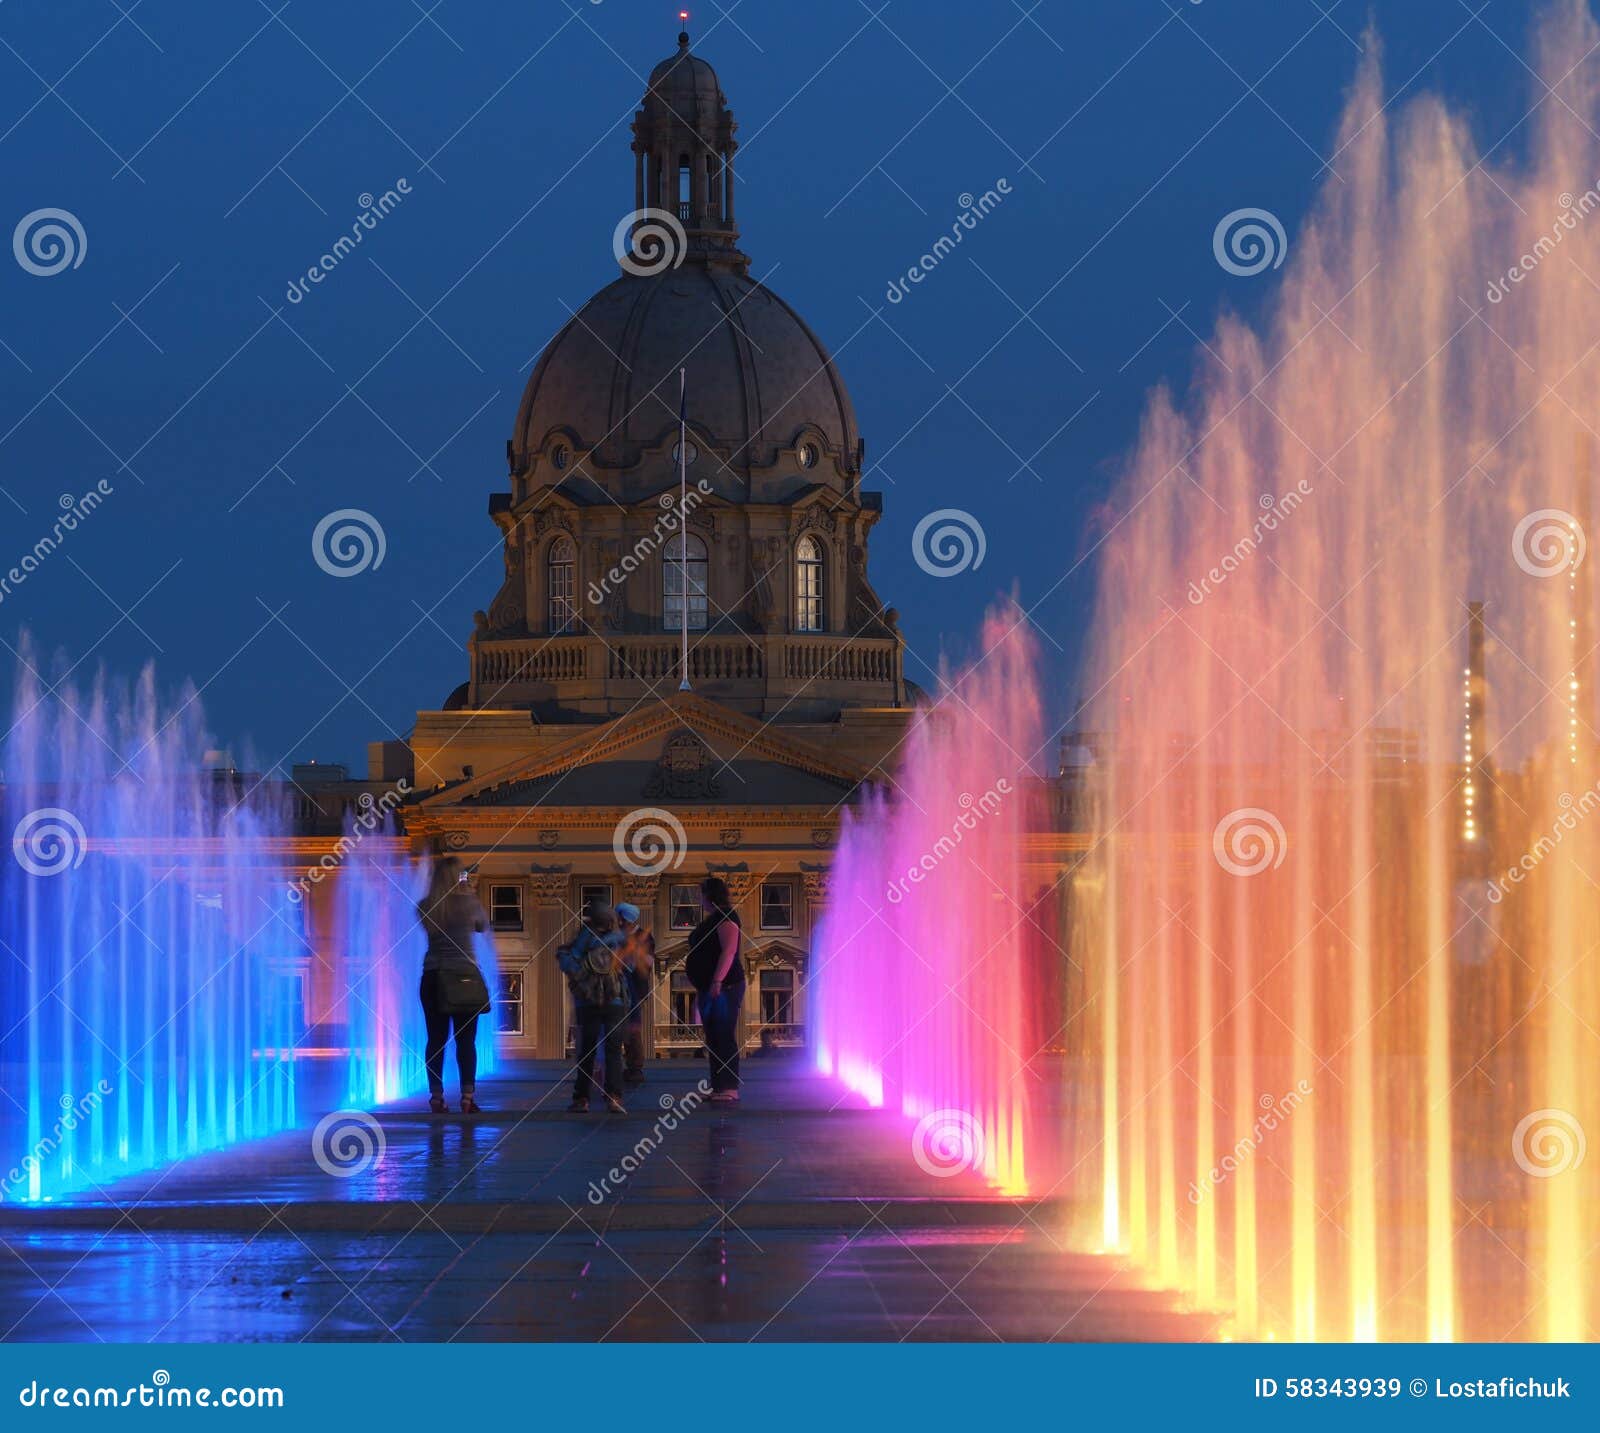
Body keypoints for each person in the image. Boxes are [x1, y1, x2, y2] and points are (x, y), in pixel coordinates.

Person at [417, 856, 488, 1115]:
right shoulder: (469, 903)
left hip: (433, 976)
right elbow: (482, 927)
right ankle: (467, 1098)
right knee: (466, 1041)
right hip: (463, 977)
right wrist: (468, 890)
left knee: (435, 1040)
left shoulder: (425, 906)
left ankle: (436, 1097)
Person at [558, 901, 627, 1114]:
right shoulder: (620, 939)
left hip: (588, 1001)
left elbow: (569, 961)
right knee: (614, 1051)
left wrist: (579, 977)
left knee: (587, 1050)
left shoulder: (584, 937)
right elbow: (630, 967)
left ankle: (582, 1099)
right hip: (614, 1001)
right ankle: (613, 1097)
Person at [686, 876, 744, 1104]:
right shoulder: (715, 918)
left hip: (725, 987)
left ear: (710, 895)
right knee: (713, 1037)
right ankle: (718, 1086)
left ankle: (730, 1088)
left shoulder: (727, 917)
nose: (700, 899)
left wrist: (717, 981)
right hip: (709, 987)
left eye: (701, 894)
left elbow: (728, 951)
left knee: (724, 1035)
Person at [615, 902, 655, 1086]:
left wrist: (633, 952)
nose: (618, 922)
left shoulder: (644, 938)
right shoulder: (620, 936)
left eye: (620, 919)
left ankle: (635, 1068)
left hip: (634, 989)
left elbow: (646, 965)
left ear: (625, 919)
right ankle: (621, 1067)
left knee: (633, 1029)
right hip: (618, 988)